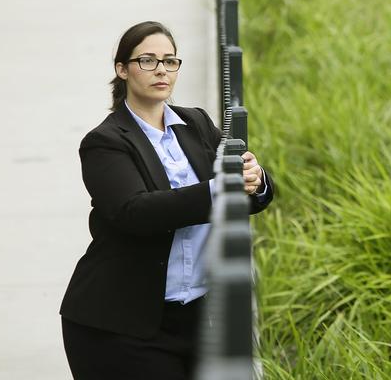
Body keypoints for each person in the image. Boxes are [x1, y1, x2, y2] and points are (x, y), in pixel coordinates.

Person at [59, 21, 273, 379]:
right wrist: (220, 188)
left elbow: (251, 195)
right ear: (122, 70)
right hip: (121, 326)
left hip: (199, 321)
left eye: (170, 61)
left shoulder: (198, 124)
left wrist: (256, 180)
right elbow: (135, 212)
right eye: (147, 60)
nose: (161, 69)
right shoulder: (105, 142)